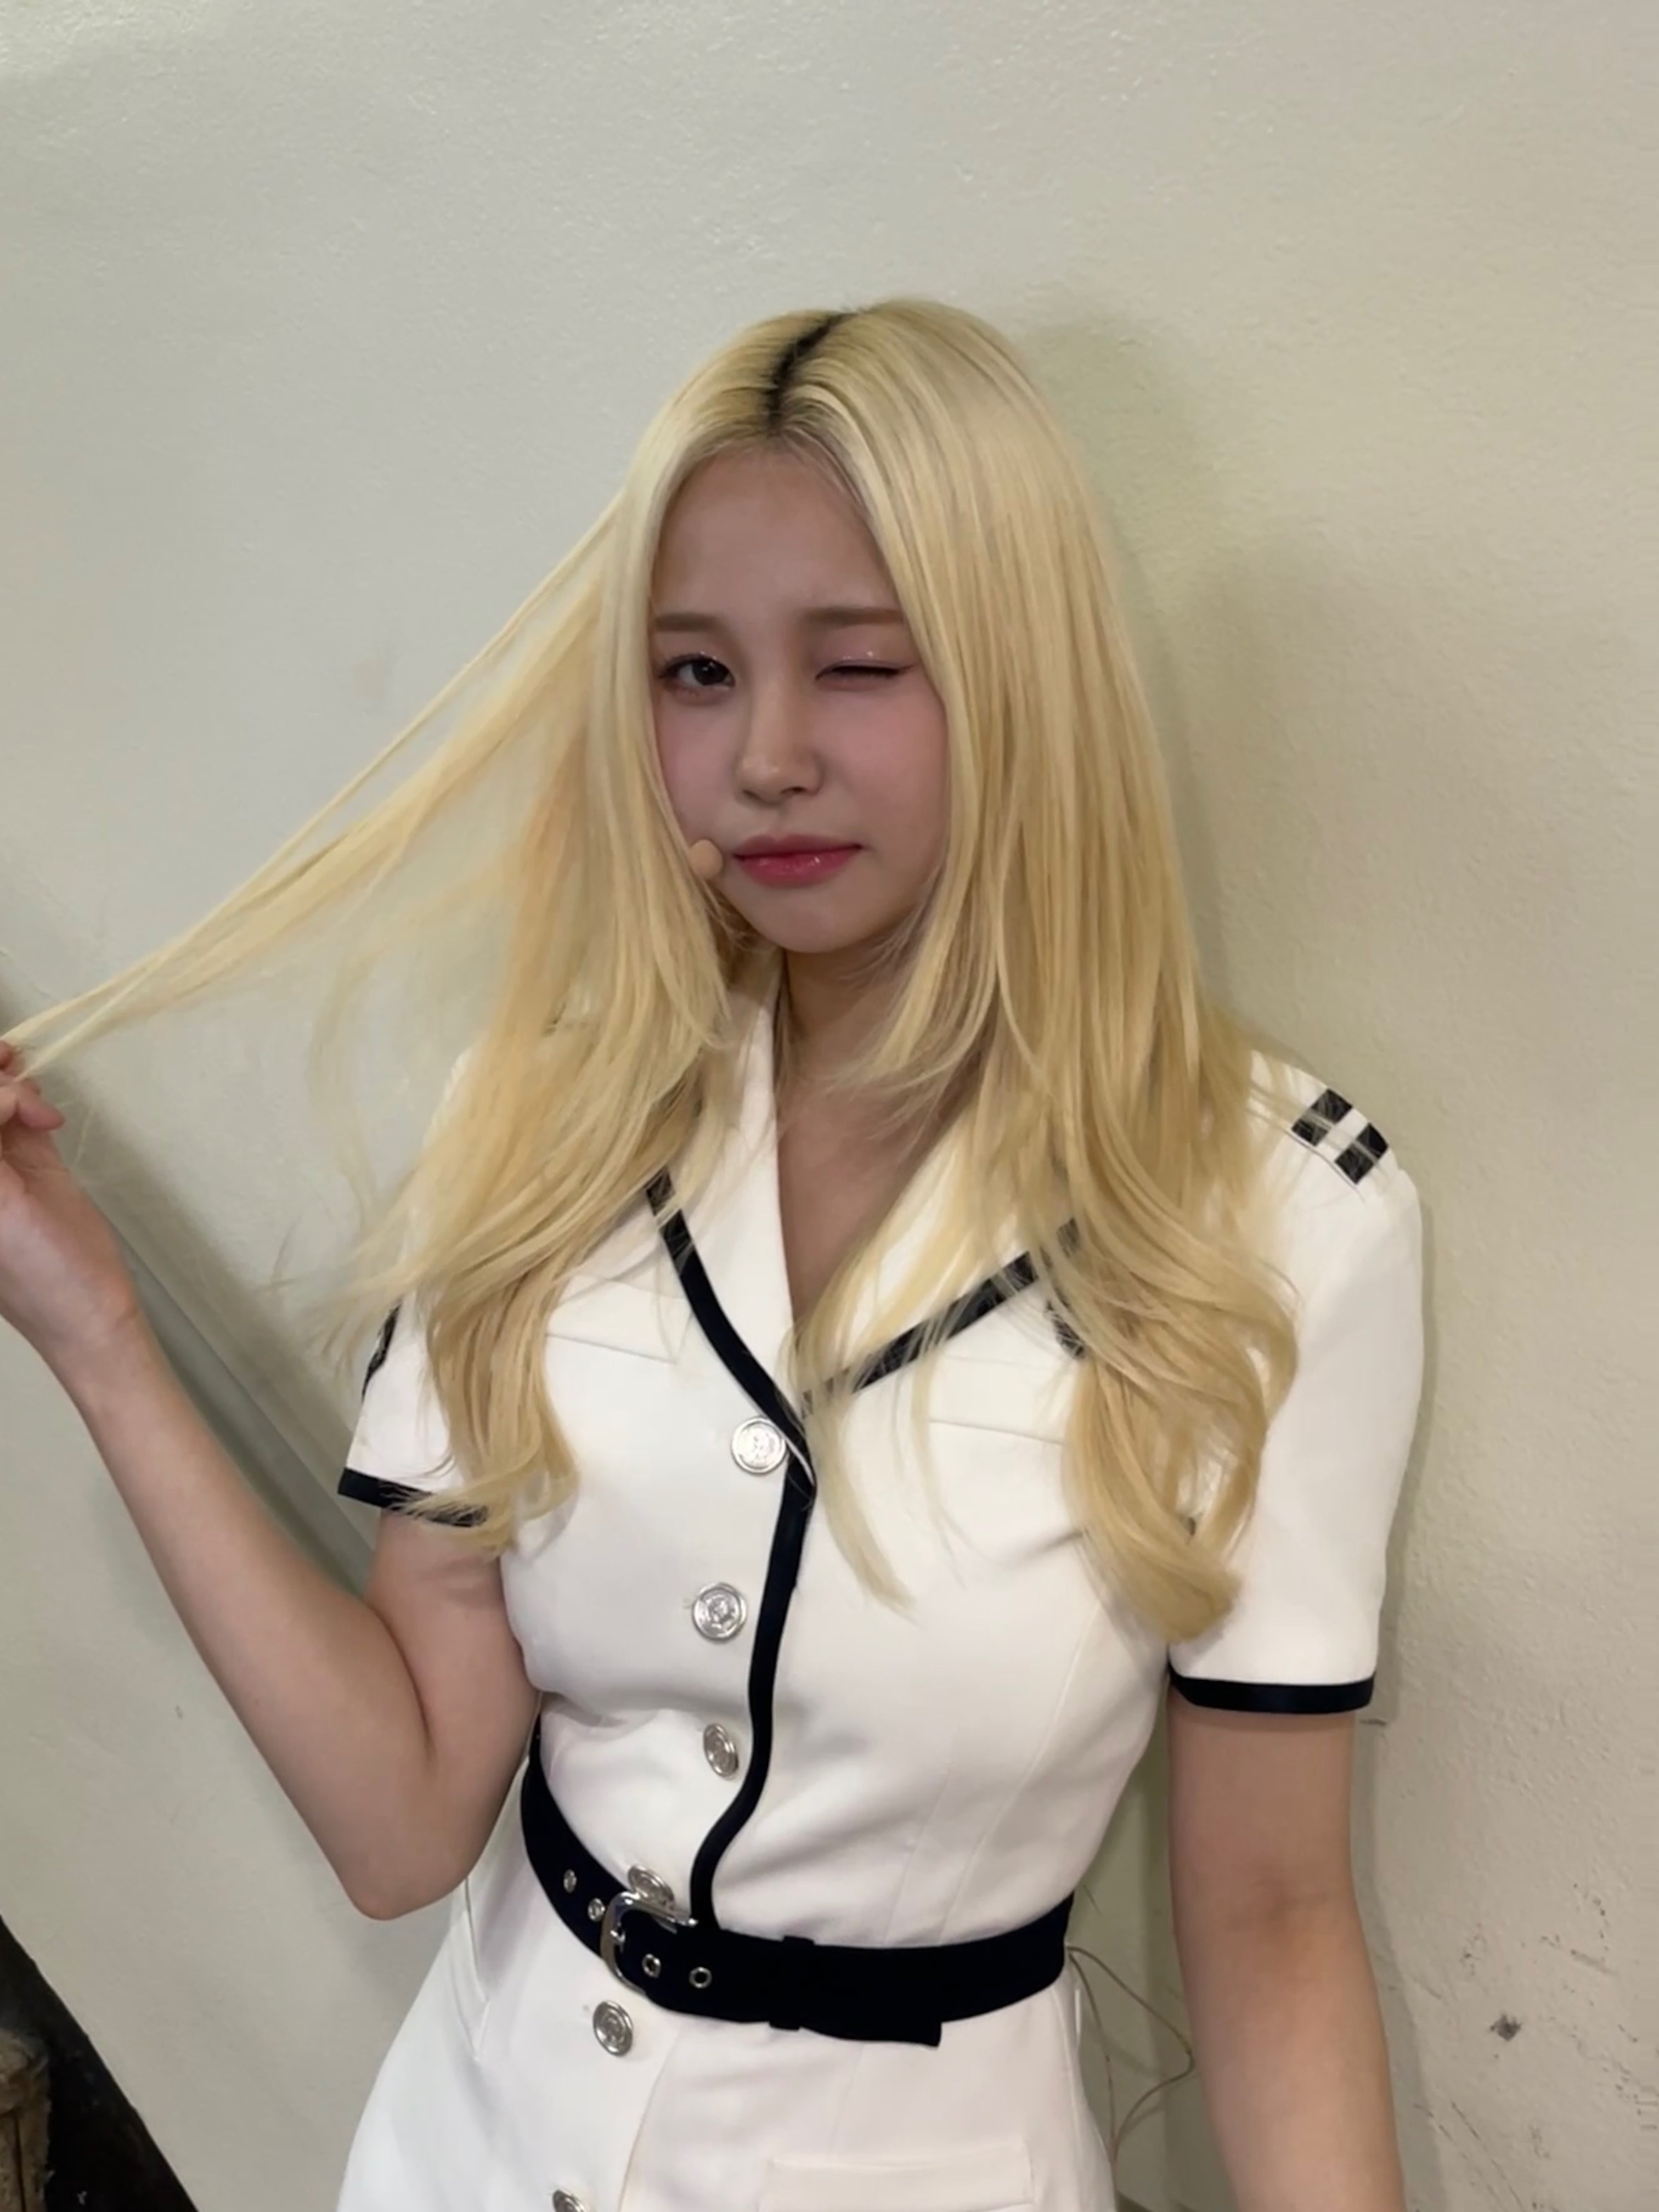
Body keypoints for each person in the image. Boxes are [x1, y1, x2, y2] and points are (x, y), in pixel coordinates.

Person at [0, 298, 1424, 2211]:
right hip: (465, 2156)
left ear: (1022, 674)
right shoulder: (541, 1118)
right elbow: (401, 1819)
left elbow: (1269, 1925)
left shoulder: (1280, 1218)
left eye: (860, 666)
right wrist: (90, 1325)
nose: (765, 757)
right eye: (694, 672)